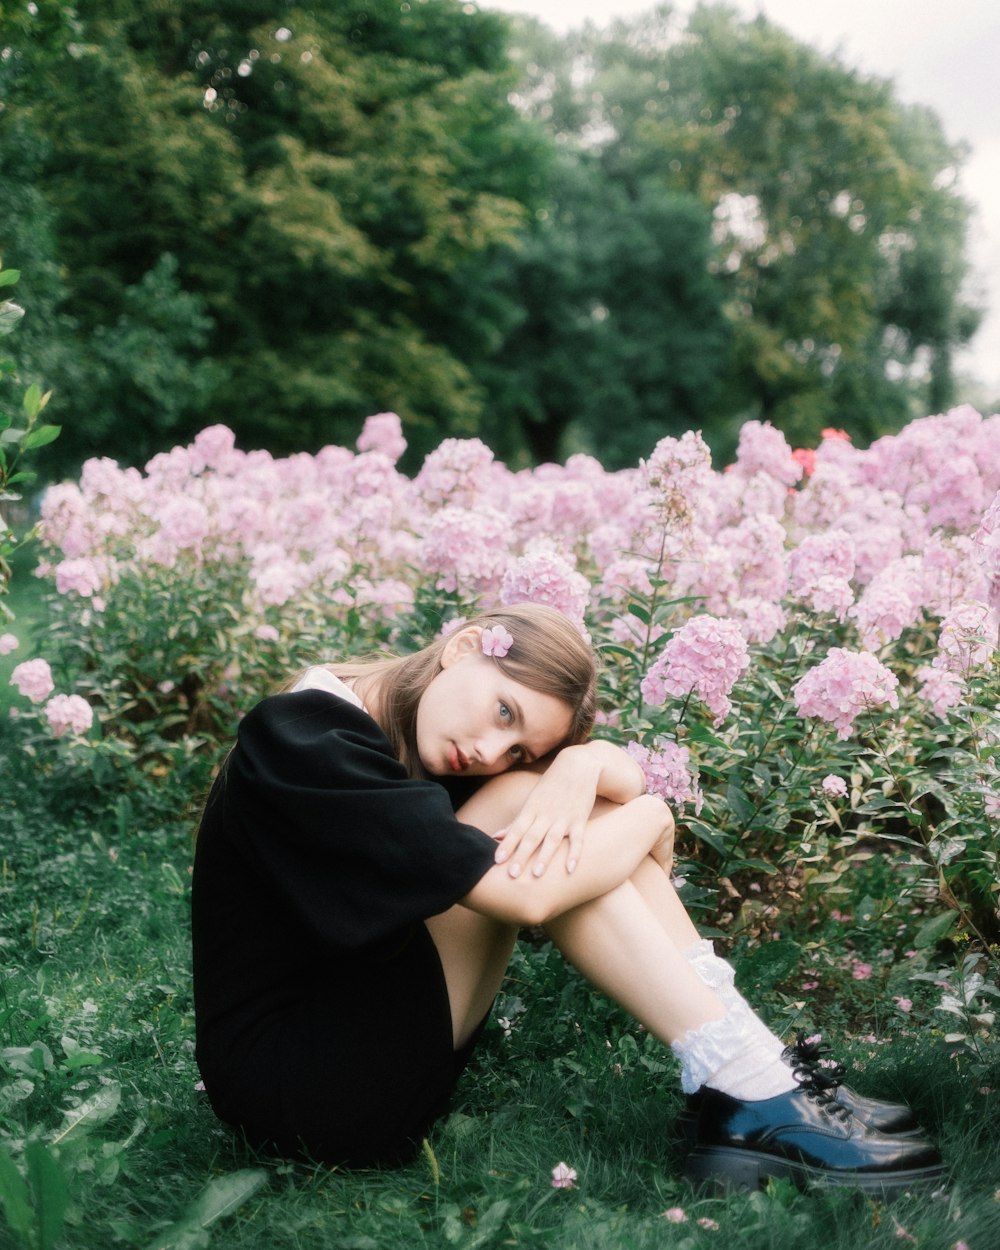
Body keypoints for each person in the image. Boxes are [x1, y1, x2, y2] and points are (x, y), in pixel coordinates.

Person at [191, 603, 944, 1194]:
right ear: (464, 646)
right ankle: (752, 1088)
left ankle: (757, 1077)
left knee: (555, 809)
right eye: (504, 711)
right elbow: (524, 900)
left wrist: (578, 766)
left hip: (370, 1052)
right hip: (301, 1086)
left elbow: (599, 785)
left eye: (517, 743)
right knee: (538, 820)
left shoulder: (409, 729)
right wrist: (648, 812)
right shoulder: (304, 734)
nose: (488, 749)